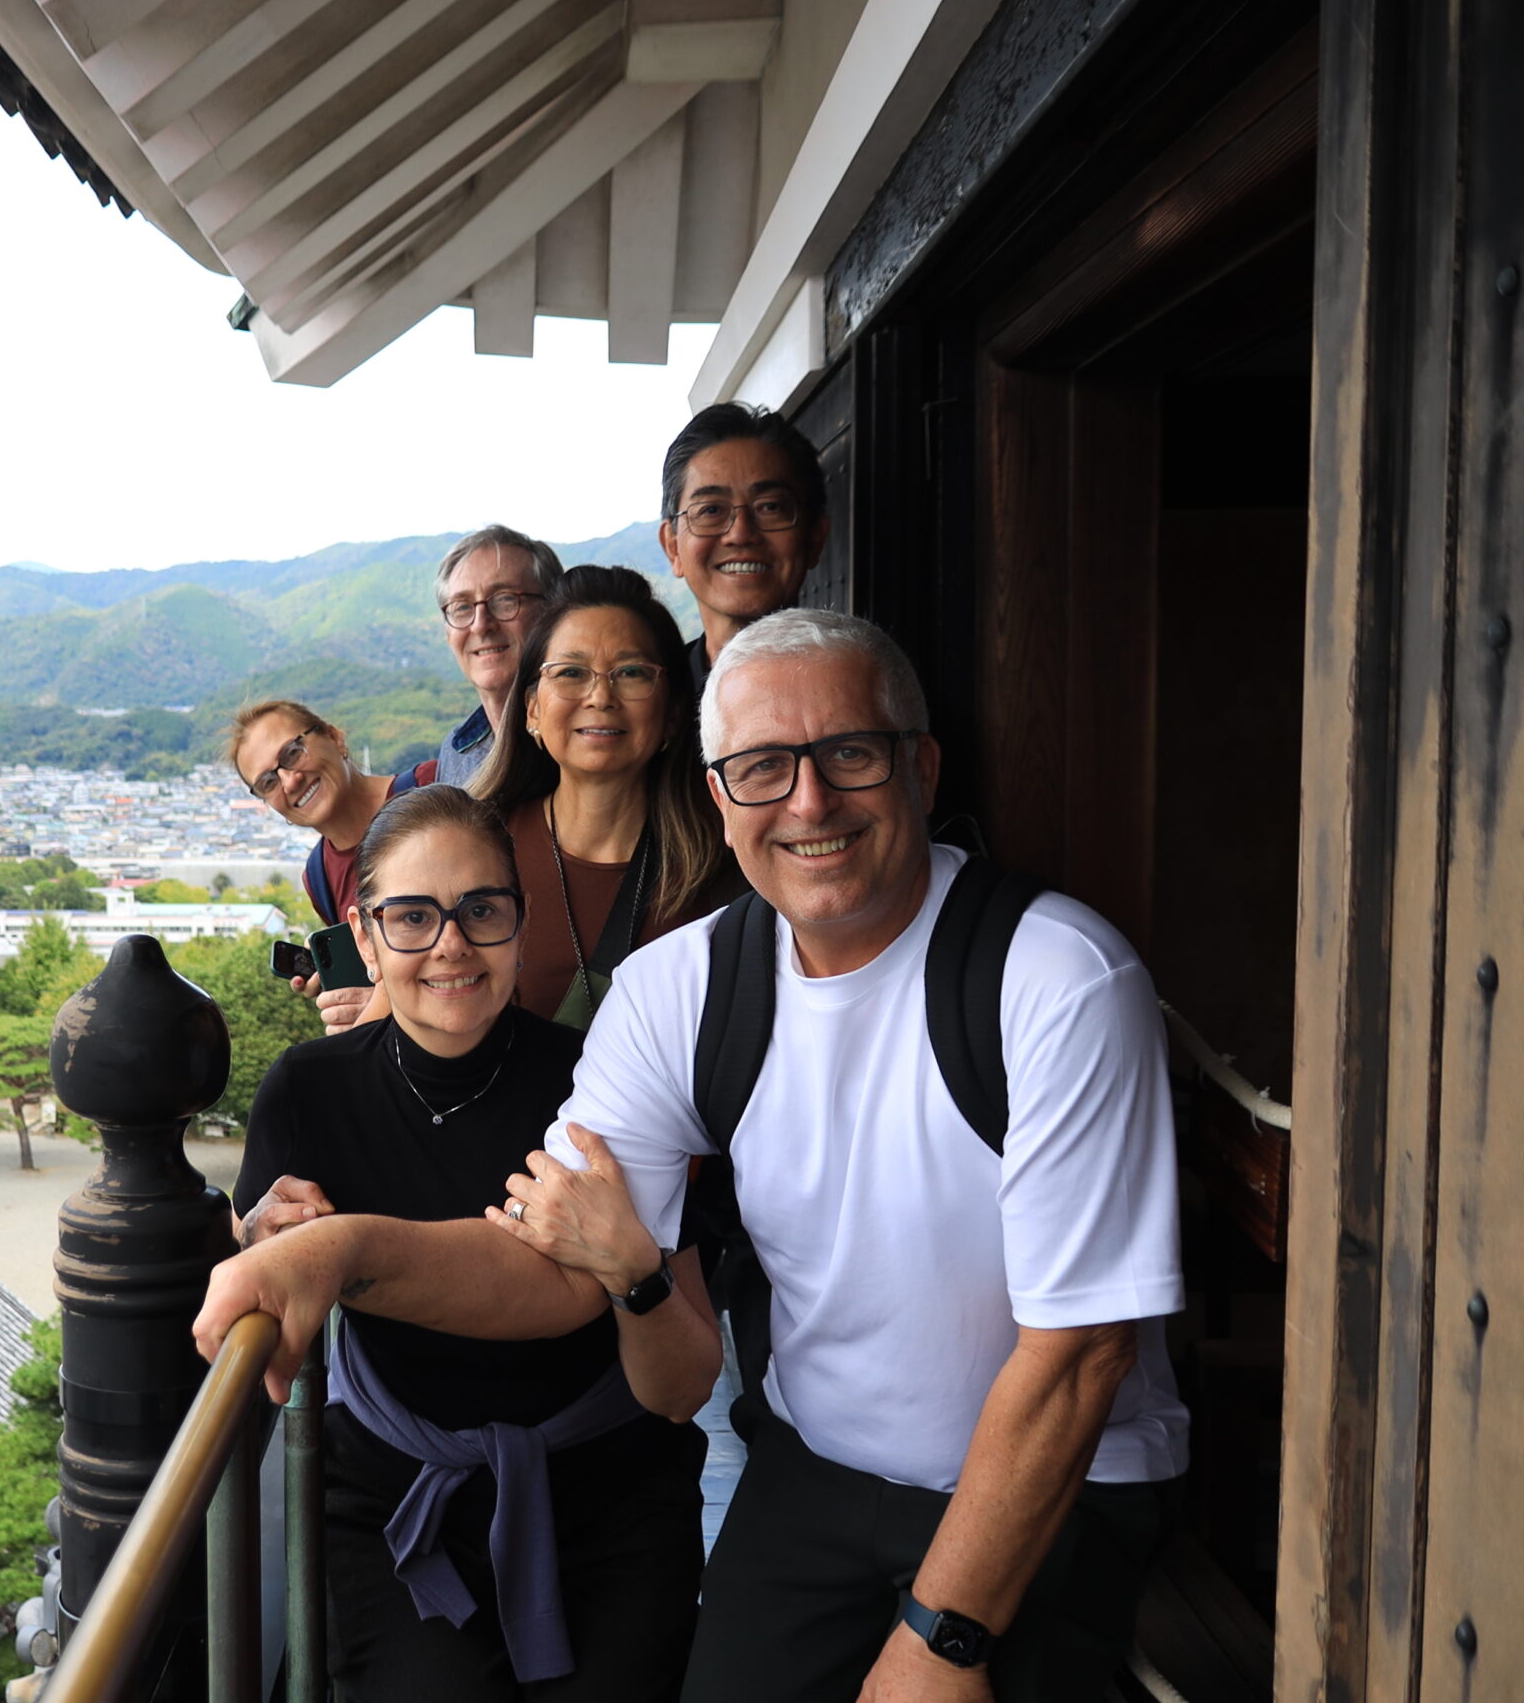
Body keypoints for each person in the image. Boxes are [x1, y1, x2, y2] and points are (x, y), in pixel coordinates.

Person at [201, 609, 1187, 1703]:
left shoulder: (1054, 980)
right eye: (762, 768)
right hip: (815, 1467)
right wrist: (332, 1254)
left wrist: (937, 1641)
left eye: (848, 754)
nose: (808, 802)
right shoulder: (681, 991)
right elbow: (555, 1267)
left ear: (921, 766)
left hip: (1052, 1481)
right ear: (718, 797)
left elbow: (1084, 1351)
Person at [230, 785, 713, 1703]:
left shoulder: (600, 1086)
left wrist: (632, 1271)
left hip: (611, 1492)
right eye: (411, 916)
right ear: (363, 938)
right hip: (394, 1494)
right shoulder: (308, 1090)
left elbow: (686, 1383)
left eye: (480, 910)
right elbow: (250, 1279)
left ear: (520, 925)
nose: (450, 943)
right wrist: (256, 1238)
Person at [469, 564, 743, 1026]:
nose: (600, 696)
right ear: (532, 708)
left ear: (674, 713)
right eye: (571, 672)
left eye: (631, 672)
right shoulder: (473, 845)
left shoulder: (729, 863)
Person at [229, 700, 434, 1031]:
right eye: (269, 782)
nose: (290, 781)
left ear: (336, 738)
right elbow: (381, 977)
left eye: (293, 753)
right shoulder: (319, 876)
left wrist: (382, 1006)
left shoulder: (432, 787)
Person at [657, 403, 833, 692]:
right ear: (672, 546)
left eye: (770, 507)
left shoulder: (860, 692)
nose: (740, 534)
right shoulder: (654, 703)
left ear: (815, 536)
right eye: (711, 510)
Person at [431, 526, 562, 786]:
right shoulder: (458, 753)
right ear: (448, 634)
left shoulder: (582, 741)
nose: (480, 625)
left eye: (504, 600)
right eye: (462, 607)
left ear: (554, 613)